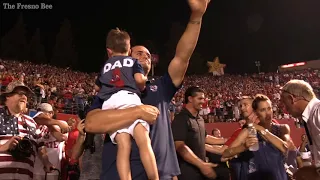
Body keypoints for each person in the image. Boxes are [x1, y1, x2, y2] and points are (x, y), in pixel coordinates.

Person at [85, 0, 211, 179]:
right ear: (127, 58)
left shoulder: (161, 86)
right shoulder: (111, 88)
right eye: (139, 53)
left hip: (161, 174)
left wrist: (196, 17)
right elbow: (91, 124)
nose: (145, 56)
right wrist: (137, 112)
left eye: (149, 55)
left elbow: (182, 57)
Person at [96, 28, 158, 180]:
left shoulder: (105, 66)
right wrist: (144, 83)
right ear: (129, 49)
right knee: (143, 141)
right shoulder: (133, 61)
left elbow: (97, 86)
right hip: (128, 99)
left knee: (123, 146)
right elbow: (139, 80)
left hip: (110, 105)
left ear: (109, 51)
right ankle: (155, 178)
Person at [223, 94, 290, 180]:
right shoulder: (248, 131)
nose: (268, 113)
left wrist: (261, 129)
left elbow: (285, 147)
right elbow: (225, 154)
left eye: (269, 108)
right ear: (256, 113)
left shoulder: (283, 128)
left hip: (279, 176)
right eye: (262, 110)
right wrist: (243, 147)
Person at [0, 81, 54, 180]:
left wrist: (46, 162)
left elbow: (40, 146)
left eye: (26, 95)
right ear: (8, 96)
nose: (24, 97)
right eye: (20, 93)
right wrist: (4, 146)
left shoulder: (31, 122)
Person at [171, 86, 218, 180]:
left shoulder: (200, 119)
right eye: (200, 98)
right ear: (190, 99)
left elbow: (204, 137)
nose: (203, 101)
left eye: (203, 98)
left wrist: (226, 141)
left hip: (202, 171)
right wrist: (201, 165)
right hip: (187, 173)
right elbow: (180, 146)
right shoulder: (180, 119)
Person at [280, 79, 320, 180]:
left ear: (291, 98)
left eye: (285, 103)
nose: (285, 109)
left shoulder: (318, 112)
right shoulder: (311, 116)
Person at [33, 103, 68, 180]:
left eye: (44, 113)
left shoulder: (61, 123)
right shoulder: (34, 124)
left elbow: (61, 137)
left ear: (51, 113)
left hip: (54, 167)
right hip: (36, 167)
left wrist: (49, 124)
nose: (40, 115)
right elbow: (38, 118)